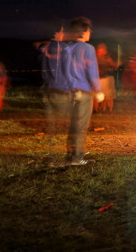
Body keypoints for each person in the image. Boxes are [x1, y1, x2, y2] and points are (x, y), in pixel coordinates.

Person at [40, 17, 104, 165]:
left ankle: (55, 157)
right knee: (79, 126)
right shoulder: (88, 49)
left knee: (61, 126)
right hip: (83, 92)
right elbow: (92, 72)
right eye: (89, 30)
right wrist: (99, 90)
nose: (90, 33)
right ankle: (75, 157)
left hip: (65, 91)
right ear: (85, 32)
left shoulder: (64, 48)